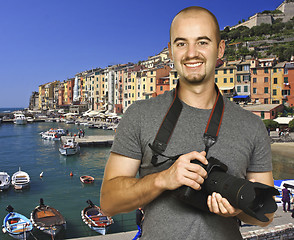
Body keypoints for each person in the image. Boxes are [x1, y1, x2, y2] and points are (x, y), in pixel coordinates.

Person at [100, 6, 275, 240]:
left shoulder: (252, 126)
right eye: (181, 43)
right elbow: (109, 202)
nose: (192, 53)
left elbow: (266, 214)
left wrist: (240, 208)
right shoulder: (139, 115)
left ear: (220, 49)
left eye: (202, 42)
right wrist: (164, 179)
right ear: (171, 52)